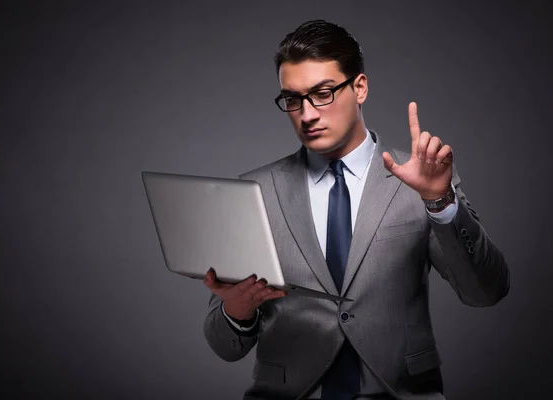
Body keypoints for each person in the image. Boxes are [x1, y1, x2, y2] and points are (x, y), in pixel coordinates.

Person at [202, 19, 509, 400]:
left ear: (359, 87)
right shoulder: (253, 192)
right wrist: (237, 311)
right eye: (293, 99)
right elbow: (224, 346)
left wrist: (439, 202)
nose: (307, 114)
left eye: (323, 93)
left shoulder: (421, 181)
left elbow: (486, 291)